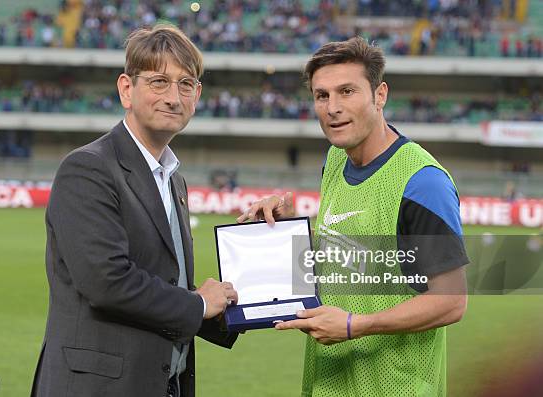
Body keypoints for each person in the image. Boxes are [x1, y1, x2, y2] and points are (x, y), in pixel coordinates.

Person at [238, 37, 468, 396]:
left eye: (347, 91)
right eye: (322, 95)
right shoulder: (336, 159)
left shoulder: (423, 182)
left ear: (380, 95)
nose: (333, 107)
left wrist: (354, 325)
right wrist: (288, 228)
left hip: (395, 387)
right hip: (330, 382)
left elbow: (451, 301)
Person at [31, 24, 238, 397]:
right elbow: (107, 282)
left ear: (198, 95)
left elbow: (162, 283)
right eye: (159, 82)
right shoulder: (88, 168)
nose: (174, 97)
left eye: (185, 84)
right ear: (127, 89)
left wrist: (234, 300)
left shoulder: (173, 179)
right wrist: (199, 303)